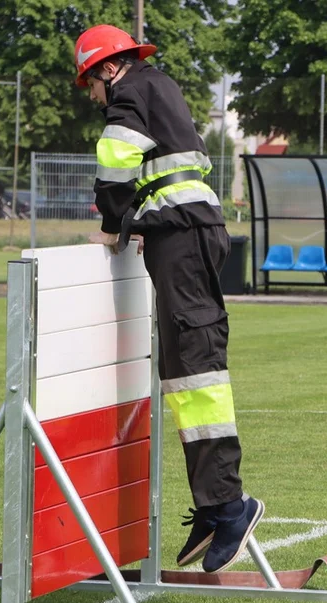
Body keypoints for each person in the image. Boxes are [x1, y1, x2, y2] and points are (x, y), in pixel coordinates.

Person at [75, 25, 262, 572]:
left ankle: (230, 506)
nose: (92, 97)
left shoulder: (133, 91)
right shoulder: (159, 87)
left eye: (90, 84)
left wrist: (114, 221)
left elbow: (115, 161)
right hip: (181, 232)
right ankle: (212, 505)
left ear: (108, 70)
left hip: (181, 235)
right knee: (184, 371)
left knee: (197, 370)